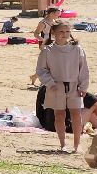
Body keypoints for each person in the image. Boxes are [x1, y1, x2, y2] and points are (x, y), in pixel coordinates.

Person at [36, 21, 89, 153]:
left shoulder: (77, 49)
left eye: (67, 31)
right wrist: (50, 83)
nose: (64, 34)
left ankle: (77, 145)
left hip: (74, 86)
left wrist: (83, 87)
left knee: (76, 114)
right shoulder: (47, 50)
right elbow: (41, 70)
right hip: (56, 86)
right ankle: (63, 144)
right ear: (53, 32)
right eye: (61, 31)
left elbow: (83, 69)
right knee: (59, 115)